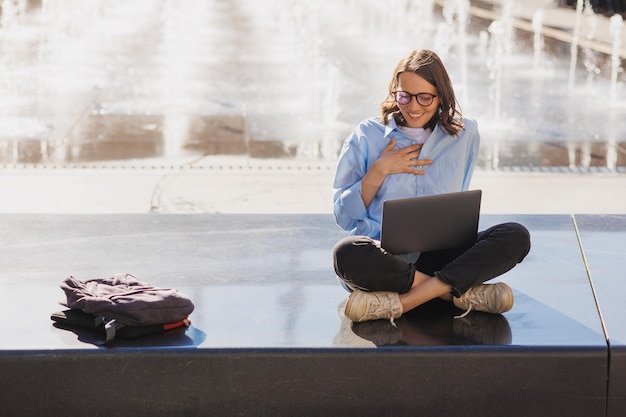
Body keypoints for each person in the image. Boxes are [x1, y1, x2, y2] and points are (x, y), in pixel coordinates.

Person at [332, 49, 531, 325]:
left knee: (516, 235)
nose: (413, 107)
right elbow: (343, 216)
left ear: (441, 96)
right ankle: (456, 294)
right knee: (346, 253)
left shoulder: (465, 134)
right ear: (395, 92)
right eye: (404, 96)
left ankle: (402, 303)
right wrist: (379, 170)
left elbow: (458, 201)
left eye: (425, 97)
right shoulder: (367, 135)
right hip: (386, 260)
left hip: (443, 256)